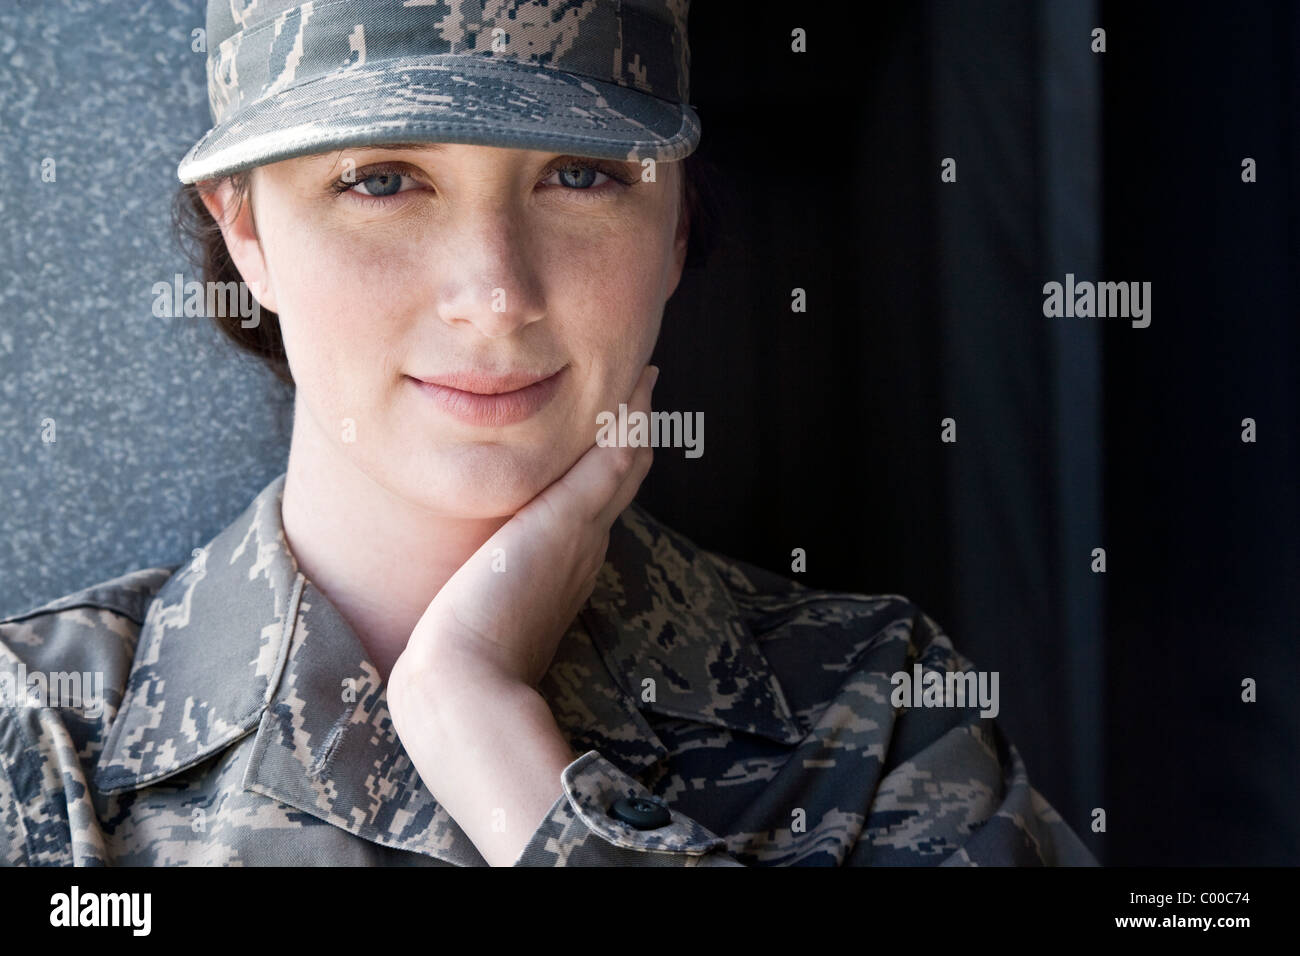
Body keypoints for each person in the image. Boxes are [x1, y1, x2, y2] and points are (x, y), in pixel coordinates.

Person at [0, 0, 1096, 866]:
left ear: (673, 230)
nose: (496, 291)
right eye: (382, 179)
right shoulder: (45, 738)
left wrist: (496, 741)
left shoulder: (867, 720)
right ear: (248, 231)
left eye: (579, 174)